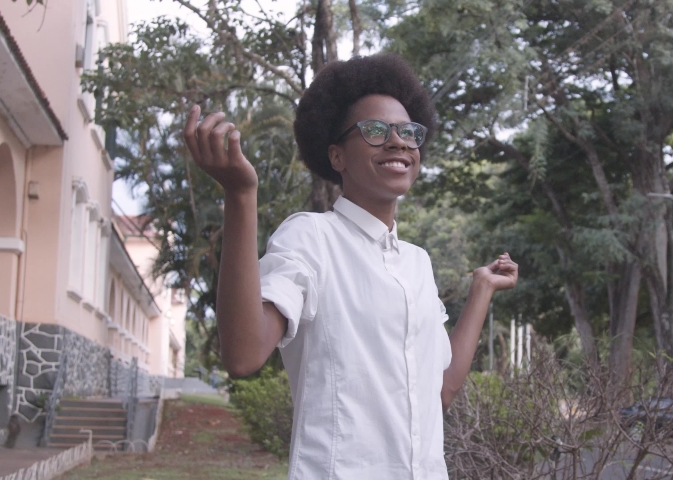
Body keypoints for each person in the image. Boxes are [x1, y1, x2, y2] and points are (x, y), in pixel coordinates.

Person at [183, 53, 518, 479]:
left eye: (408, 132)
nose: (397, 142)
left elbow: (441, 391)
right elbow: (244, 355)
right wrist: (240, 195)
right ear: (337, 156)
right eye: (375, 131)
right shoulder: (310, 238)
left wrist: (482, 290)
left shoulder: (416, 262)